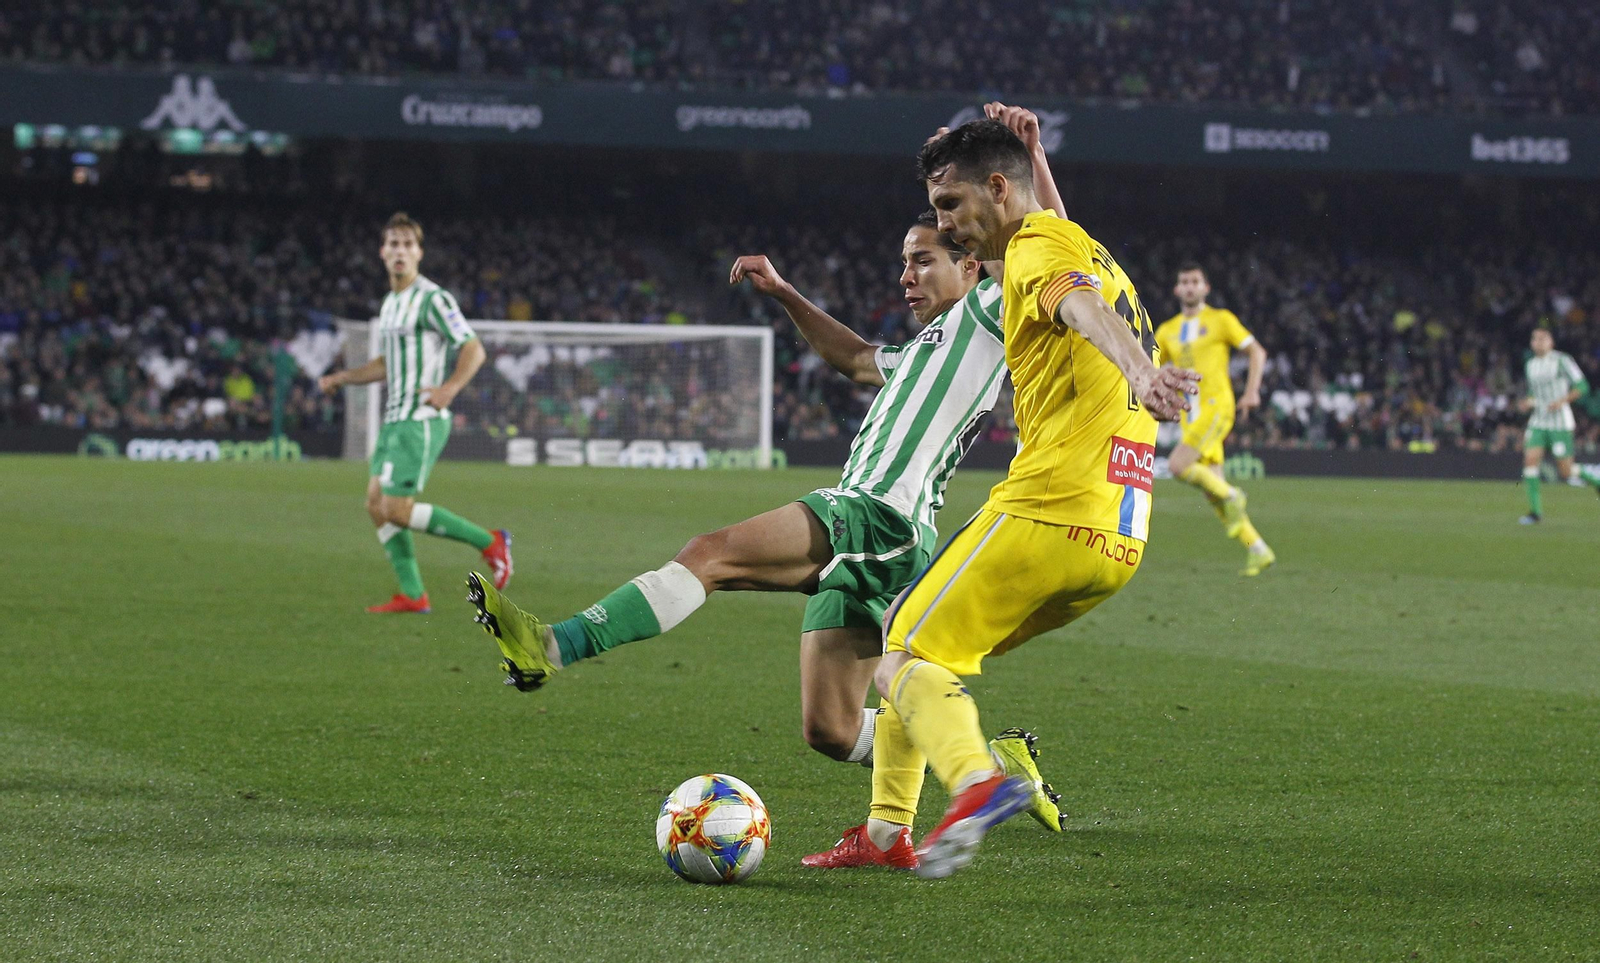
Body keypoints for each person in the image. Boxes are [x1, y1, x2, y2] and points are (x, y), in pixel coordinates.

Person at [465, 209, 1067, 869]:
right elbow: (857, 359)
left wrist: (1007, 171)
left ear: (972, 265)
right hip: (880, 534)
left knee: (709, 553)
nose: (906, 275)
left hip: (877, 516)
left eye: (924, 258)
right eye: (903, 261)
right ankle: (986, 762)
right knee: (831, 730)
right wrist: (784, 293)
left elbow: (1049, 248)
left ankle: (550, 644)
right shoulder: (926, 345)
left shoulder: (987, 309)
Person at [880, 119, 1198, 879]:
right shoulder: (1072, 238)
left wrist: (1140, 374)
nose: (946, 225)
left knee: (901, 649)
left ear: (996, 190)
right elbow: (1059, 239)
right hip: (1117, 542)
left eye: (950, 204)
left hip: (1048, 509)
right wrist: (1038, 155)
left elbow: (1081, 308)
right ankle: (894, 823)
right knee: (931, 656)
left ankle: (978, 783)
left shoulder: (1033, 252)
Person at [318, 212, 512, 613]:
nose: (400, 251)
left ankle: (490, 541)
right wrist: (344, 376)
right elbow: (387, 363)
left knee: (397, 510)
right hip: (394, 420)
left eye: (408, 244)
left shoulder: (432, 299)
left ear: (419, 253)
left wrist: (450, 388)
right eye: (393, 243)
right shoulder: (391, 304)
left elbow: (473, 347)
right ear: (382, 252)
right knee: (375, 504)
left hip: (420, 419)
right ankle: (413, 593)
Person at [1155, 263, 1275, 575]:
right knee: (1213, 491)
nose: (1190, 286)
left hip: (1216, 406)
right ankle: (1257, 549)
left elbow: (1257, 352)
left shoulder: (1221, 320)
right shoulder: (1167, 331)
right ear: (1177, 289)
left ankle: (1234, 494)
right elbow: (1153, 368)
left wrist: (1251, 392)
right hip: (1190, 416)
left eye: (1195, 281)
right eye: (1185, 281)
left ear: (1206, 288)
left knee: (1178, 466)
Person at [1518, 327, 1600, 524]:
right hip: (1538, 421)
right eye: (1534, 339)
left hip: (1560, 423)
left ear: (1551, 342)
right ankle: (1535, 512)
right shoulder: (1530, 365)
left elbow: (1582, 386)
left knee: (1566, 471)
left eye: (1542, 338)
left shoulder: (1562, 361)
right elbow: (1534, 393)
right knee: (1530, 462)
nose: (1538, 342)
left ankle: (1596, 478)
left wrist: (1561, 401)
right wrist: (1527, 402)